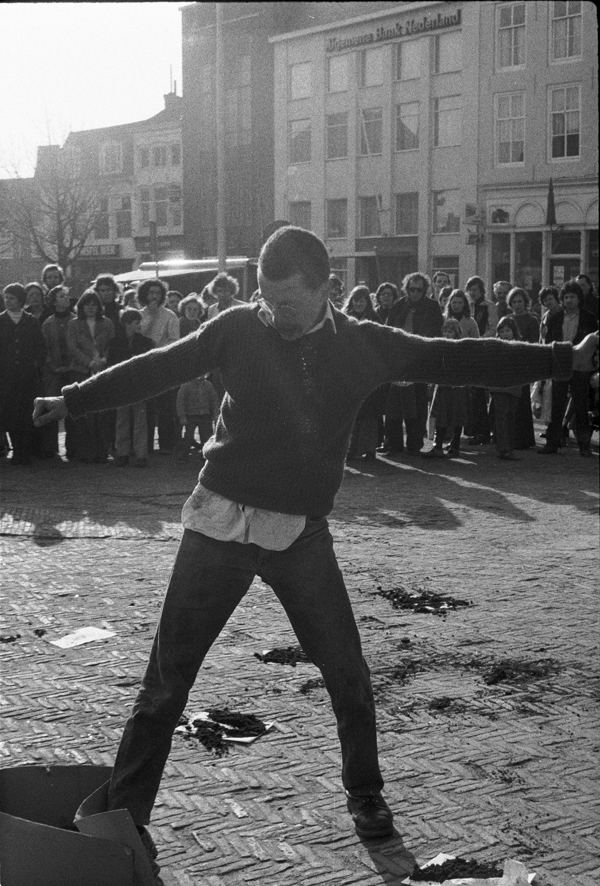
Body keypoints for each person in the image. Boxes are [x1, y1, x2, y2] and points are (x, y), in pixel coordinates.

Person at [32, 226, 598, 883]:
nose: (277, 316)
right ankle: (124, 829)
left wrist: (566, 359)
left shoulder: (365, 345)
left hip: (297, 534)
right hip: (217, 522)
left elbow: (459, 357)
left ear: (327, 289)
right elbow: (159, 368)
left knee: (350, 678)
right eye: (267, 301)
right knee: (164, 689)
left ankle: (367, 803)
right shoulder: (239, 326)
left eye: (290, 305)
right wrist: (72, 400)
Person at [539, 279, 598, 457]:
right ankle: (552, 444)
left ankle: (584, 446)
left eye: (573, 296)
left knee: (581, 406)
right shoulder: (555, 317)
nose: (569, 300)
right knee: (556, 405)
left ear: (579, 298)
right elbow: (548, 342)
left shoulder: (589, 317)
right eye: (566, 297)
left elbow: (594, 345)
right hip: (560, 364)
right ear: (562, 299)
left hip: (581, 366)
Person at [386, 272, 443, 454]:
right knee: (394, 404)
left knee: (417, 404)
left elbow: (436, 331)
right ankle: (393, 443)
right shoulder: (399, 306)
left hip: (419, 359)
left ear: (425, 290)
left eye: (419, 289)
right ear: (406, 289)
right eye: (412, 289)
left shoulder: (432, 307)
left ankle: (414, 442)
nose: (415, 293)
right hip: (399, 359)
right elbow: (390, 329)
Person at [67, 289, 115, 463]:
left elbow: (112, 343)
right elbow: (72, 347)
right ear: (81, 306)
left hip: (102, 370)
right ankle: (85, 453)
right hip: (80, 371)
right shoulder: (74, 324)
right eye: (87, 304)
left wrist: (103, 359)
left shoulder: (107, 323)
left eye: (94, 304)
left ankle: (102, 452)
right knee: (83, 414)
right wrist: (89, 362)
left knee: (102, 413)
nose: (90, 307)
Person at [0, 283, 46, 465]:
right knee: (10, 413)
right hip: (6, 377)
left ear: (20, 300)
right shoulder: (1, 321)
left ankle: (23, 452)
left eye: (11, 298)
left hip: (27, 377)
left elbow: (41, 347)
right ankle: (15, 449)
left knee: (26, 413)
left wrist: (35, 365)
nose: (7, 301)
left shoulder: (31, 321)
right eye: (6, 298)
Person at [137, 278, 180, 454]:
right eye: (151, 293)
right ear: (144, 295)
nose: (154, 296)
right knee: (145, 409)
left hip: (163, 365)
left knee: (165, 407)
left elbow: (174, 340)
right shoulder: (138, 315)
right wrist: (151, 317)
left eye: (157, 293)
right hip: (142, 366)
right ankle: (145, 445)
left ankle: (166, 445)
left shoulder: (170, 316)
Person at [108, 309, 154, 468]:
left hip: (138, 385)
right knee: (122, 420)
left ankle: (141, 454)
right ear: (127, 324)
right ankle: (122, 453)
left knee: (140, 420)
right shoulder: (114, 343)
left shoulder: (147, 343)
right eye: (136, 323)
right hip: (121, 385)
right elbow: (111, 365)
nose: (139, 325)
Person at [422, 318, 469, 459]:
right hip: (443, 387)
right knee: (441, 416)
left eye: (451, 331)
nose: (447, 334)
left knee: (457, 417)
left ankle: (455, 446)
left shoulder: (460, 347)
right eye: (446, 331)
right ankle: (437, 445)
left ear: (457, 333)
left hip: (457, 387)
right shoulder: (441, 345)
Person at [41, 285, 76, 458]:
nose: (66, 299)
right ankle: (50, 448)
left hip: (72, 370)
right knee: (51, 408)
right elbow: (45, 348)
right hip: (53, 372)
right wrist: (53, 366)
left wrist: (71, 364)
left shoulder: (76, 321)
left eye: (67, 296)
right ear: (54, 301)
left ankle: (74, 447)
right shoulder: (47, 324)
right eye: (61, 296)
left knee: (74, 407)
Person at [465, 276, 498, 445]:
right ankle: (473, 430)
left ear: (482, 290)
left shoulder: (489, 306)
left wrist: (478, 339)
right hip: (468, 351)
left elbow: (493, 328)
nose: (472, 292)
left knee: (479, 394)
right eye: (470, 289)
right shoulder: (468, 306)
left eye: (475, 289)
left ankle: (482, 432)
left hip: (482, 350)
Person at [506, 287, 540, 449]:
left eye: (520, 301)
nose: (517, 304)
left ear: (525, 302)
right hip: (508, 365)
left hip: (523, 364)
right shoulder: (507, 319)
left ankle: (524, 440)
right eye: (514, 302)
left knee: (522, 401)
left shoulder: (532, 320)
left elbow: (534, 343)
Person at [489, 317, 524, 461]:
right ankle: (503, 448)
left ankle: (508, 447)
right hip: (499, 387)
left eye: (508, 330)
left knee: (510, 416)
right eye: (502, 331)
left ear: (514, 332)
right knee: (501, 417)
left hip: (514, 387)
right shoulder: (495, 347)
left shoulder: (520, 347)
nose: (505, 334)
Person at [175, 374, 220, 464]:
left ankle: (206, 456)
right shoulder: (186, 385)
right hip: (190, 415)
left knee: (206, 437)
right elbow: (180, 401)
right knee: (188, 437)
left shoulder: (208, 385)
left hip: (205, 415)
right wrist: (182, 416)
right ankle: (183, 456)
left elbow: (214, 400)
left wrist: (215, 413)